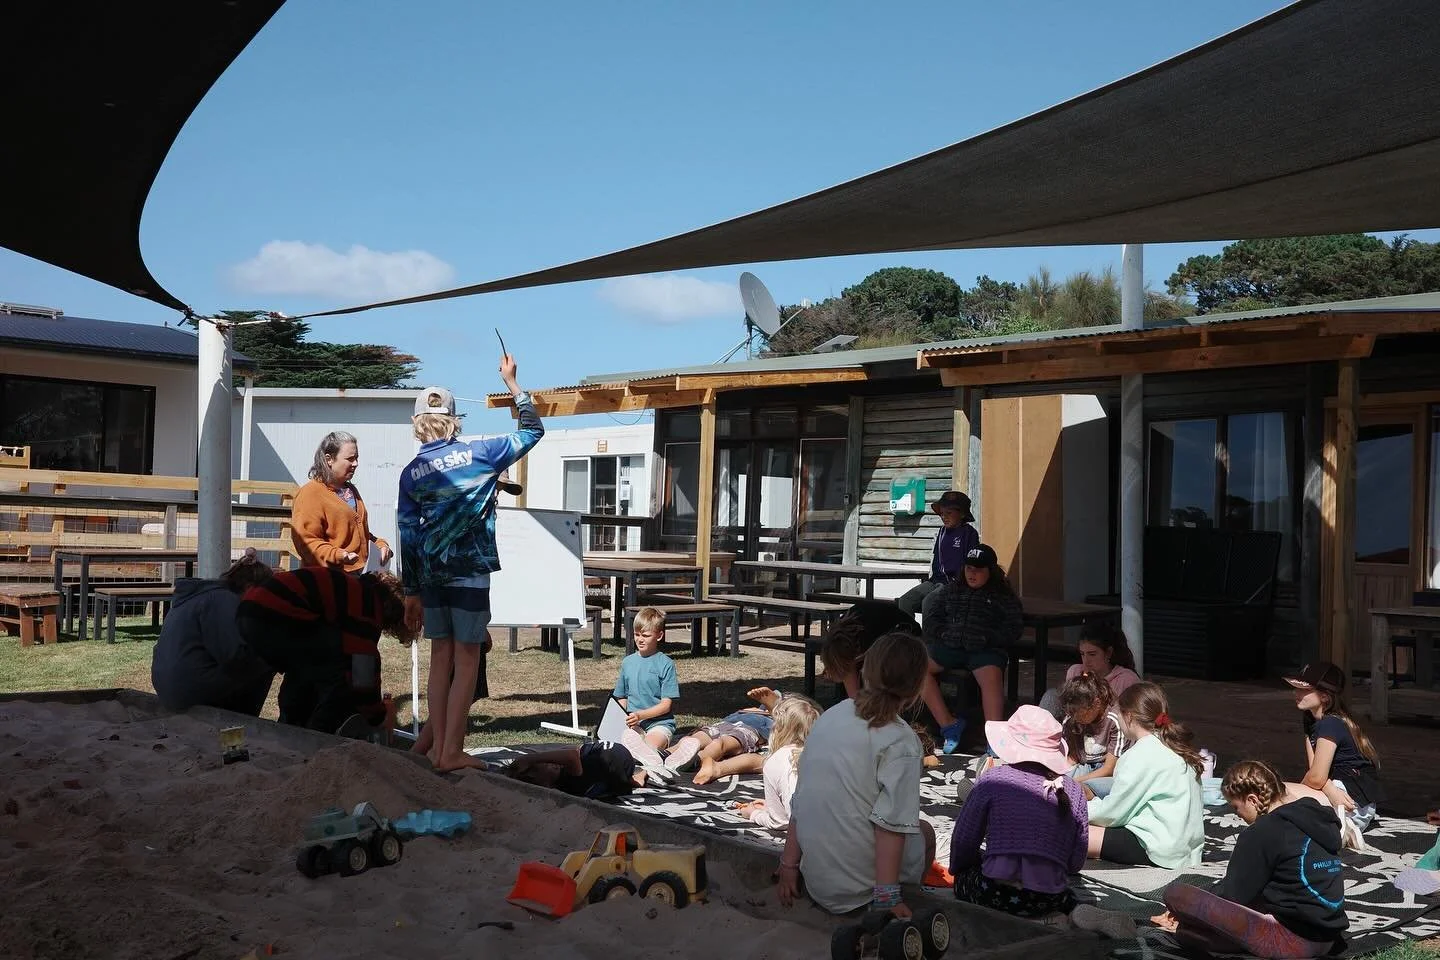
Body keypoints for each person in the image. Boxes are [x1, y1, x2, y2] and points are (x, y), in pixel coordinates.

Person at [397, 351, 543, 773]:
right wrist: (513, 383)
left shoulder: (411, 473)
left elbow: (408, 532)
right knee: (467, 660)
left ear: (418, 421)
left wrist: (411, 591)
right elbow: (533, 430)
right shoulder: (482, 454)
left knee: (439, 659)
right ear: (456, 419)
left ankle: (440, 748)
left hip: (430, 577)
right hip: (470, 575)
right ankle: (451, 752)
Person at [778, 631, 938, 917]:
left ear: (864, 670)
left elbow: (802, 798)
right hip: (864, 890)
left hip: (818, 881)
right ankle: (902, 897)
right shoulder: (901, 741)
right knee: (924, 832)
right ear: (918, 687)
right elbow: (891, 824)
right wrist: (887, 896)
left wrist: (789, 865)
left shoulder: (831, 715)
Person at [1163, 760, 1347, 959]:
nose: (1238, 816)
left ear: (1252, 799)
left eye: (1236, 808)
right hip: (1329, 938)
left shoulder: (1262, 831)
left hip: (1293, 940)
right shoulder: (1317, 818)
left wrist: (1188, 912)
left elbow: (1232, 896)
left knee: (1176, 894)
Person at [235, 566, 417, 736]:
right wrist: (378, 715)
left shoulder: (354, 588)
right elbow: (362, 670)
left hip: (250, 610)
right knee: (341, 668)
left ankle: (292, 726)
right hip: (272, 615)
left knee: (306, 667)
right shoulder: (367, 603)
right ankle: (323, 731)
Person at [1087, 682, 1205, 869]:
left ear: (1129, 716)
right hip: (1187, 845)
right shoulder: (1175, 745)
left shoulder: (1141, 754)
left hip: (1159, 847)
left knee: (1072, 832)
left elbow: (1112, 814)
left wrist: (1080, 809)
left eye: (1118, 714)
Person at [920, 544, 1023, 753]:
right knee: (918, 669)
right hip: (951, 646)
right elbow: (932, 617)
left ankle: (994, 739)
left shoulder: (1002, 595)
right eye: (969, 568)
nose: (972, 574)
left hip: (984, 649)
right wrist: (942, 634)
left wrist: (989, 638)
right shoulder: (951, 590)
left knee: (991, 678)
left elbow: (1014, 627)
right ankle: (949, 725)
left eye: (978, 569)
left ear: (990, 571)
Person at [151, 549, 275, 715]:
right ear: (250, 587)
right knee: (267, 662)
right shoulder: (223, 600)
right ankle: (241, 719)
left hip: (169, 687)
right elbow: (235, 656)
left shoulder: (200, 597)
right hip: (187, 691)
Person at [1286, 661, 1384, 832]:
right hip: (1334, 791)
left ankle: (1338, 830)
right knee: (1273, 794)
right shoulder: (1310, 720)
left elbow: (1316, 778)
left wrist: (1299, 793)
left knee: (1272, 793)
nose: (1296, 692)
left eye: (1304, 689)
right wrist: (1329, 789)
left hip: (1349, 801)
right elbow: (1314, 770)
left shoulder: (1331, 723)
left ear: (1324, 696)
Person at [290, 431, 392, 572]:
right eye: (350, 459)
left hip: (357, 578)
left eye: (356, 458)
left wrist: (379, 544)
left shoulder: (350, 490)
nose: (356, 463)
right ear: (329, 459)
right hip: (327, 580)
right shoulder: (310, 494)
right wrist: (339, 555)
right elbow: (306, 542)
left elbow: (358, 533)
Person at [735, 695, 823, 830]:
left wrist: (754, 814)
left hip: (811, 836)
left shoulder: (777, 760)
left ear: (779, 728)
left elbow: (780, 821)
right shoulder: (824, 753)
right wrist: (773, 805)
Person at [896, 491, 979, 631]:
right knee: (905, 601)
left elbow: (971, 563)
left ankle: (930, 643)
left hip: (955, 583)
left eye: (949, 513)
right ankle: (912, 636)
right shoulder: (941, 532)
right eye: (942, 513)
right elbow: (936, 560)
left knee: (929, 602)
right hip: (935, 580)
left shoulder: (969, 534)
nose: (944, 517)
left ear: (962, 514)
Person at [664, 685, 783, 783]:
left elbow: (784, 729)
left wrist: (773, 712)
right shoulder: (749, 710)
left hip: (749, 730)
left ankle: (691, 761)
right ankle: (665, 754)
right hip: (727, 724)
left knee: (719, 743)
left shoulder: (775, 720)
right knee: (696, 738)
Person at [818, 599, 921, 699]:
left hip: (909, 639)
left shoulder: (856, 645)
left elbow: (854, 700)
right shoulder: (841, 639)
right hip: (891, 629)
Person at [1038, 622, 1141, 718]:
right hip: (1076, 729)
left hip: (1108, 733)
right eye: (1082, 654)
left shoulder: (1126, 679)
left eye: (1092, 654)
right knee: (1051, 695)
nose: (1086, 661)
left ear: (1108, 653)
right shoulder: (1075, 672)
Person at [614, 607, 680, 751]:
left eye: (646, 635)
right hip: (633, 724)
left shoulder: (666, 664)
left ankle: (671, 754)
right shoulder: (628, 662)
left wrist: (640, 715)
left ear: (659, 635)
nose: (640, 639)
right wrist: (621, 718)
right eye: (637, 634)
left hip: (660, 724)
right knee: (619, 748)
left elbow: (666, 705)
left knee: (649, 748)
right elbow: (622, 697)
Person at [1058, 672, 1127, 800]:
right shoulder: (1071, 719)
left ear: (1096, 704)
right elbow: (1072, 757)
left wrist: (1076, 781)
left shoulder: (1114, 721)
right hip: (1083, 766)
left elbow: (1109, 769)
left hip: (1105, 772)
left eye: (1080, 714)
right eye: (1071, 713)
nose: (1075, 718)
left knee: (1099, 788)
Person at [505, 740, 643, 798]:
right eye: (546, 765)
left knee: (585, 756)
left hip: (615, 761)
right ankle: (632, 779)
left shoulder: (565, 780)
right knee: (579, 753)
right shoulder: (569, 779)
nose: (552, 763)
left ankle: (633, 779)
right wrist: (530, 758)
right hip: (614, 755)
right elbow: (571, 754)